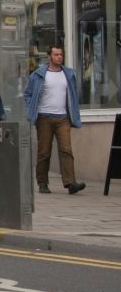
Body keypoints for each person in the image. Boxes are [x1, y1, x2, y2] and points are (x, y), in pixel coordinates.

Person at [24, 46, 85, 195]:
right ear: (49, 56)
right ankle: (42, 182)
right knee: (44, 151)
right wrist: (31, 111)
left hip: (63, 117)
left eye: (61, 54)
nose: (59, 57)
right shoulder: (39, 74)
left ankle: (70, 183)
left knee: (66, 150)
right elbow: (28, 94)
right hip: (44, 117)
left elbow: (73, 94)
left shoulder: (68, 74)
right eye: (56, 54)